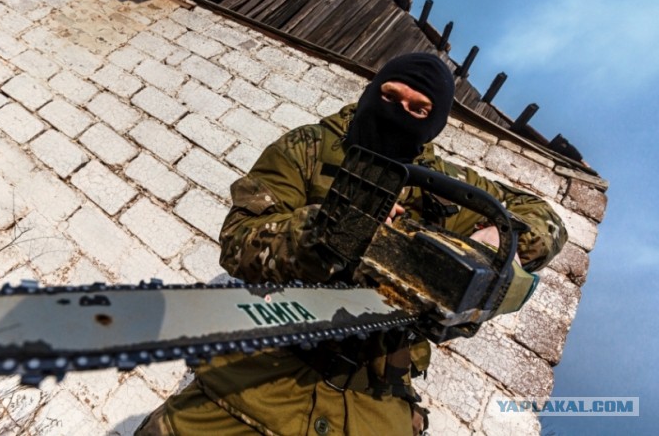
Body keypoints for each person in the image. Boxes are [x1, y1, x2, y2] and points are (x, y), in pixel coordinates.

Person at [135, 53, 568, 436]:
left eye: (418, 109)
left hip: (373, 406)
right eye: (390, 96)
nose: (398, 113)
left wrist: (500, 235)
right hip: (257, 379)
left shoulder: (447, 186)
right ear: (372, 90)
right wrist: (333, 226)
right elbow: (237, 241)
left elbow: (546, 219)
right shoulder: (308, 147)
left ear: (434, 122)